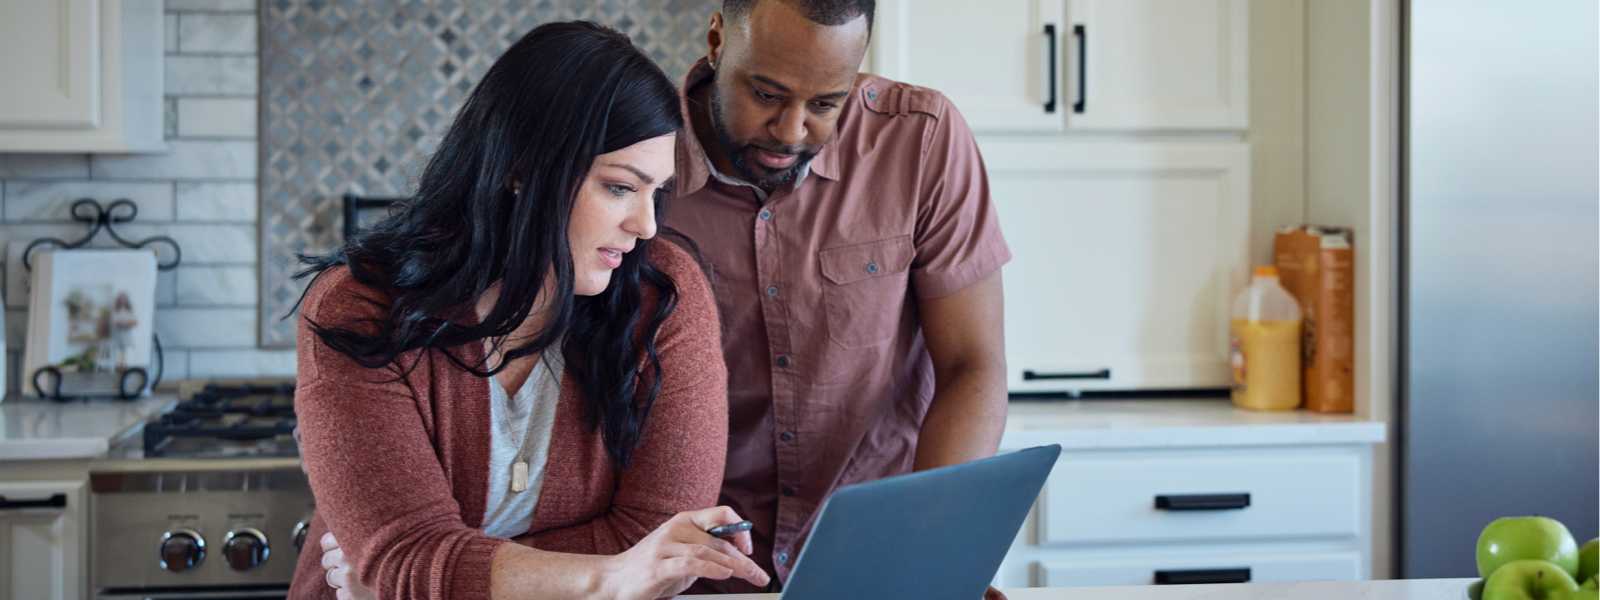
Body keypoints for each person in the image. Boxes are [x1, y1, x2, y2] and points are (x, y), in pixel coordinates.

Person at [288, 22, 768, 600]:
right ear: (520, 168)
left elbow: (659, 545)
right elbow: (406, 554)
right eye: (619, 187)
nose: (645, 226)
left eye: (655, 193)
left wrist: (429, 579)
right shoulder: (360, 308)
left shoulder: (663, 298)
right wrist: (610, 576)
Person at [666, 0, 1012, 594]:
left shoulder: (922, 140)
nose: (792, 131)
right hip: (695, 568)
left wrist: (930, 548)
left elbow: (972, 366)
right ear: (718, 39)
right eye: (767, 94)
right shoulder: (639, 160)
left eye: (826, 103)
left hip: (878, 558)